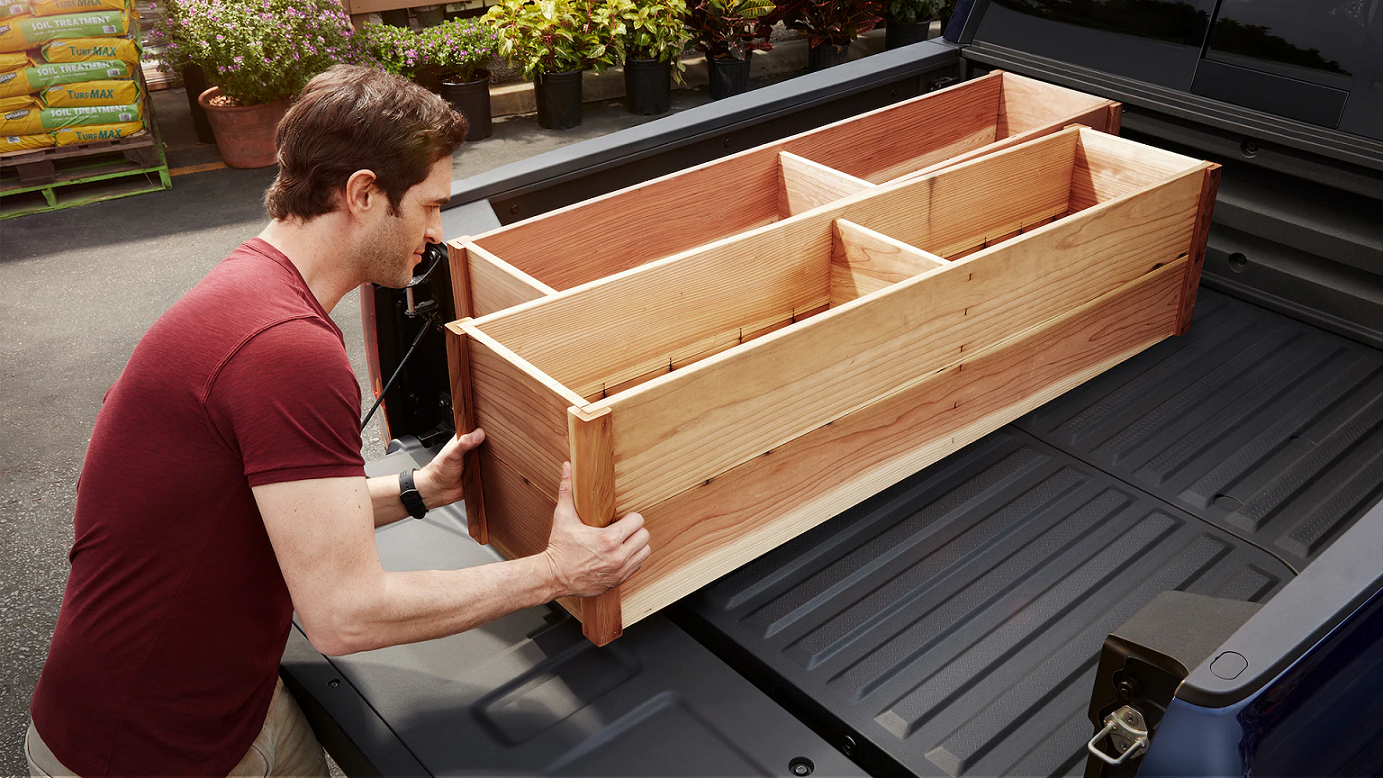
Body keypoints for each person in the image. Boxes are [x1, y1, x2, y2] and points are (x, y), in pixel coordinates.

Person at [26, 65, 651, 777]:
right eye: (430, 207)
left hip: (235, 705)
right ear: (362, 193)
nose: (438, 235)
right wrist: (557, 572)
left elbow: (273, 512)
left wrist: (420, 489)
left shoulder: (253, 288)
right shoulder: (285, 351)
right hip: (142, 750)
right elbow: (345, 614)